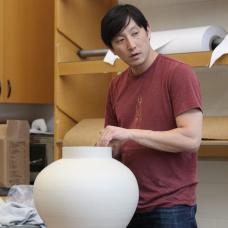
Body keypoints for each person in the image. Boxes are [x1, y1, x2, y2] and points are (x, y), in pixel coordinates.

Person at [96, 4, 203, 228]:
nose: (131, 45)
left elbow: (191, 139)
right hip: (128, 202)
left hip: (171, 205)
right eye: (120, 40)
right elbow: (117, 143)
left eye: (135, 33)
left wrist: (130, 134)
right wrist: (106, 147)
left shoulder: (178, 73)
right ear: (112, 49)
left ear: (148, 31)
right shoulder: (116, 84)